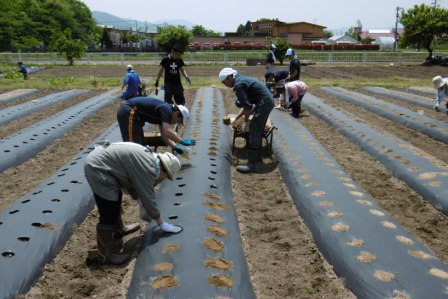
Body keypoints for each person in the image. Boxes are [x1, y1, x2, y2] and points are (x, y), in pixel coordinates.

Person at [84, 141, 183, 265]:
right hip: (98, 168)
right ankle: (105, 255)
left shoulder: (150, 160)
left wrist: (142, 203)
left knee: (115, 199)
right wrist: (161, 223)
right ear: (165, 170)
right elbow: (147, 196)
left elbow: (134, 185)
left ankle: (119, 229)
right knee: (108, 210)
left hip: (104, 164)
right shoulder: (147, 168)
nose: (163, 179)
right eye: (166, 176)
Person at [219, 67, 275, 173]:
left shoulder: (238, 85)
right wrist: (235, 118)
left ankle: (252, 165)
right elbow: (246, 106)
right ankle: (257, 157)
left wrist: (245, 122)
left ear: (230, 77)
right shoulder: (242, 80)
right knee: (256, 130)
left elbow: (248, 107)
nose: (224, 84)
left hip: (264, 103)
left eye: (224, 82)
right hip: (265, 102)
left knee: (254, 130)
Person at [116, 96, 196, 156]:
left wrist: (175, 147)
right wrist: (181, 141)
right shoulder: (166, 110)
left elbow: (164, 135)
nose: (176, 123)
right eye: (178, 121)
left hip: (135, 117)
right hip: (129, 111)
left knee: (140, 145)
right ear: (177, 113)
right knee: (133, 146)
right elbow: (168, 132)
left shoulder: (165, 113)